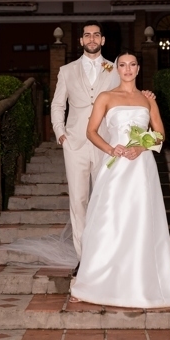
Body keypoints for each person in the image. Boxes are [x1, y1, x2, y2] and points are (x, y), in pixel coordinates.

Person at [70, 51, 170, 309]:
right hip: (116, 166)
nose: (128, 69)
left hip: (142, 167)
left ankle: (141, 285)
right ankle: (91, 283)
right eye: (122, 65)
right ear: (116, 69)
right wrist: (111, 149)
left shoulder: (148, 99)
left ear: (138, 69)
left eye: (132, 64)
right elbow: (91, 131)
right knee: (108, 220)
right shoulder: (106, 97)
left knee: (141, 221)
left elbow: (160, 134)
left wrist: (141, 147)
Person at [51, 21, 153, 261]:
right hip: (75, 143)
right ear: (81, 40)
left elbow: (129, 92)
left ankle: (104, 254)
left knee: (104, 198)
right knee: (78, 201)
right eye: (87, 35)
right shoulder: (66, 71)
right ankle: (83, 258)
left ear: (103, 40)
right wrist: (60, 132)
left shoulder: (115, 68)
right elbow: (57, 104)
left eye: (96, 35)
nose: (92, 39)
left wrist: (146, 95)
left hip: (107, 143)